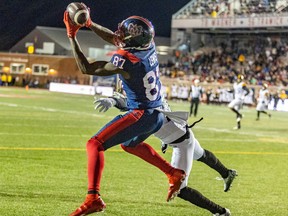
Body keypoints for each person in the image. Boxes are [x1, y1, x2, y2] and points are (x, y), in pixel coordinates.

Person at [63, 7, 186, 216]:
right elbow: (116, 39)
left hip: (142, 114)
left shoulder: (127, 60)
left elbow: (87, 68)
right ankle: (173, 173)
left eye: (124, 33)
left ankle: (93, 197)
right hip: (157, 113)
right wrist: (90, 24)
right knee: (129, 145)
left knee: (94, 144)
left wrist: (72, 36)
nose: (118, 34)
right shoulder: (149, 46)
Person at [95, 93, 238, 216]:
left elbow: (140, 128)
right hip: (183, 133)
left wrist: (115, 102)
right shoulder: (151, 96)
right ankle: (227, 173)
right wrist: (114, 100)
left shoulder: (146, 106)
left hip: (181, 143)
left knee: (181, 189)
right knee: (201, 155)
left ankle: (221, 212)